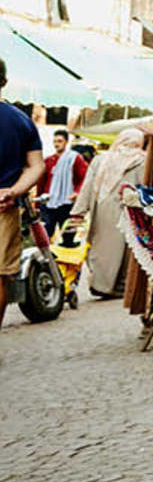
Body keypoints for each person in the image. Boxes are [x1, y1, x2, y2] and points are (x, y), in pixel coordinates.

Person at [69, 128, 146, 299]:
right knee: (124, 250)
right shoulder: (141, 160)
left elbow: (88, 187)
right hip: (127, 210)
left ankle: (100, 284)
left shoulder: (101, 159)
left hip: (101, 208)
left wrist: (79, 211)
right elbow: (144, 188)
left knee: (101, 246)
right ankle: (120, 285)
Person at [0, 61, 45, 326]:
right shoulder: (20, 120)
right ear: (4, 82)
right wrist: (12, 191)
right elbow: (36, 166)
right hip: (4, 208)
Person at [35, 128, 87, 237]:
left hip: (66, 201)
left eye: (59, 141)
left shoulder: (74, 159)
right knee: (46, 232)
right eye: (55, 141)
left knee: (68, 233)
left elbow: (85, 178)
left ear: (66, 142)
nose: (56, 144)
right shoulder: (49, 160)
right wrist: (37, 203)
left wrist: (77, 192)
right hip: (48, 202)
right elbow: (41, 182)